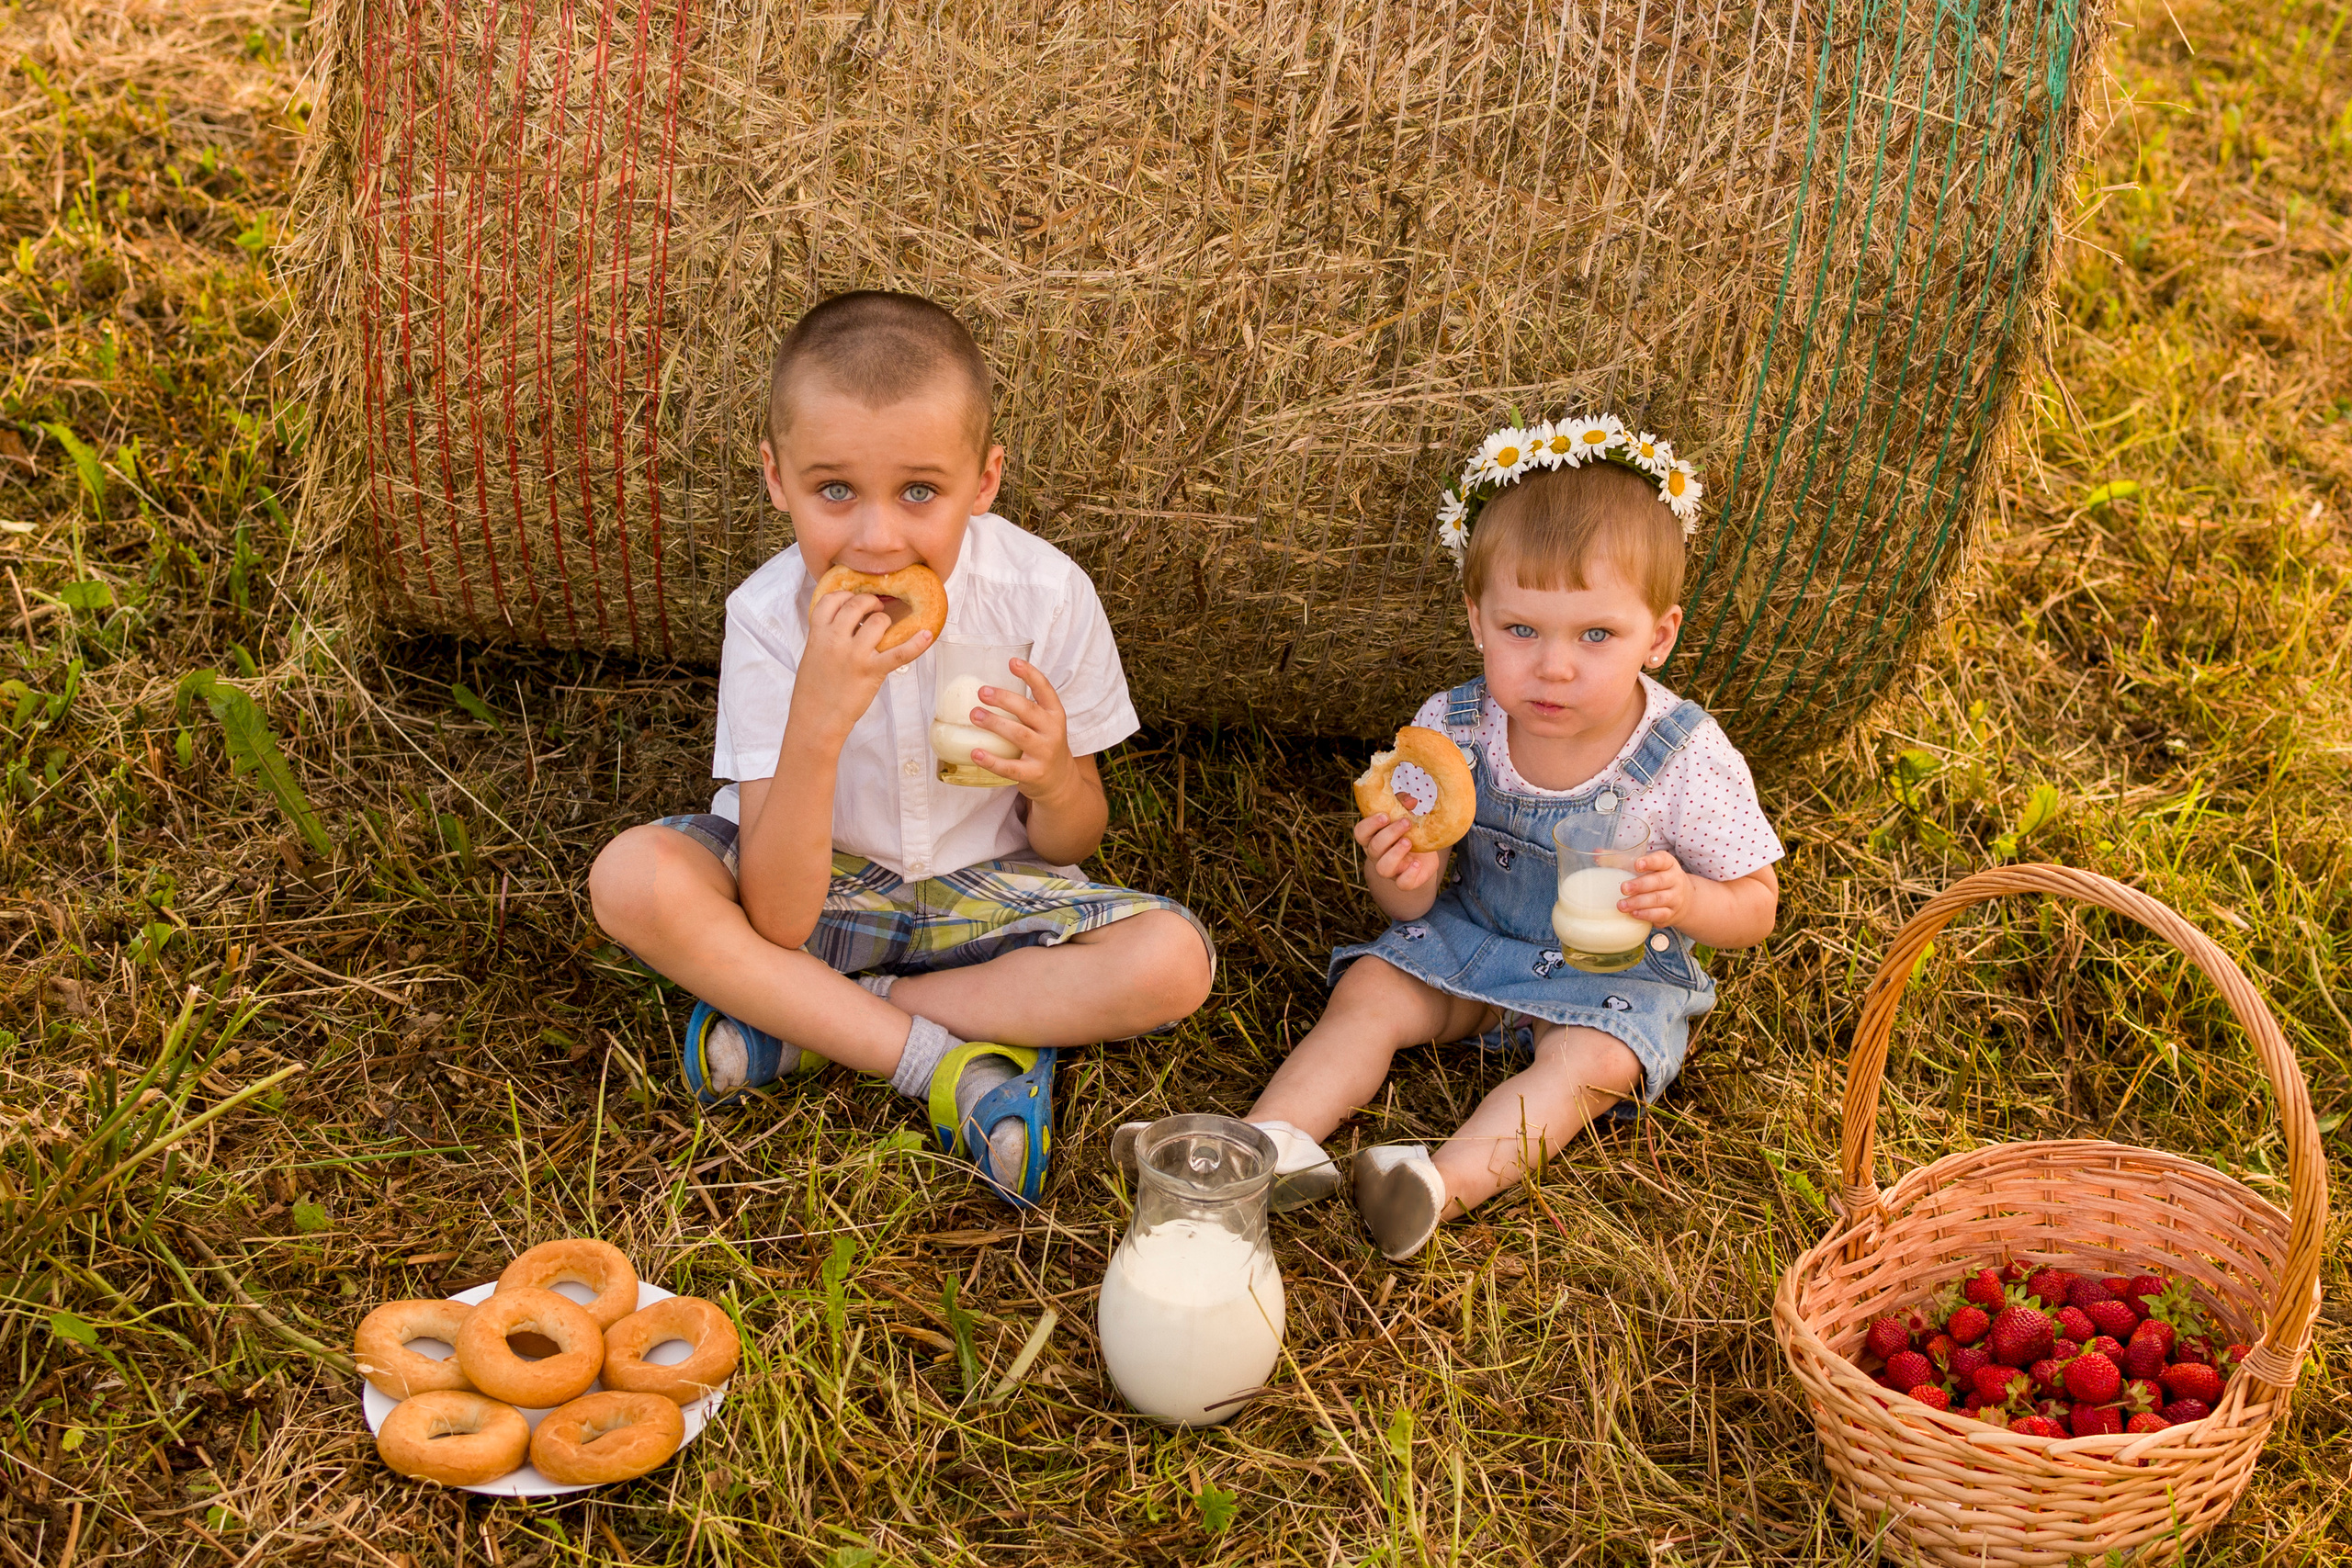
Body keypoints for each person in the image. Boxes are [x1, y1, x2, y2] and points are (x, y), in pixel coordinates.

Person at [589, 291, 1215, 1208]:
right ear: (776, 477)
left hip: (987, 899)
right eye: (833, 490)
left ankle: (803, 1023)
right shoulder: (769, 622)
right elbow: (781, 920)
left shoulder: (1042, 597)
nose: (878, 540)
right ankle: (936, 1064)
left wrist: (1049, 777)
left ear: (985, 480)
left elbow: (1070, 842)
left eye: (919, 492)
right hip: (823, 893)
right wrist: (818, 718)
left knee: (1173, 963)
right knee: (632, 879)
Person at [1132, 415, 1780, 1258]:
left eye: (1596, 635)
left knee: (1593, 1063)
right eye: (1522, 630)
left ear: (1658, 635)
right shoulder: (1453, 727)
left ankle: (1439, 1183)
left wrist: (1691, 900)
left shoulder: (1684, 754)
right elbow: (1410, 899)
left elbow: (1757, 904)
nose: (1554, 665)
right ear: (1478, 621)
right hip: (1468, 938)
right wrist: (1401, 867)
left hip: (1605, 970)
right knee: (1369, 988)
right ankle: (1265, 1144)